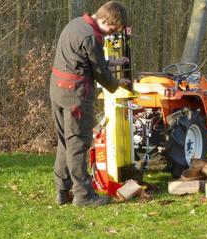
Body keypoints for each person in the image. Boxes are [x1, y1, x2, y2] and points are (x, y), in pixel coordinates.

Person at [50, 1, 130, 206]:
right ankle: (83, 195)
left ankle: (61, 191)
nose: (110, 34)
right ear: (104, 20)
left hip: (57, 90)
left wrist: (113, 62)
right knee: (78, 143)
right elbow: (100, 72)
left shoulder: (75, 25)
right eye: (111, 29)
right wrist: (116, 83)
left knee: (65, 142)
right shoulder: (91, 36)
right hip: (75, 95)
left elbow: (85, 58)